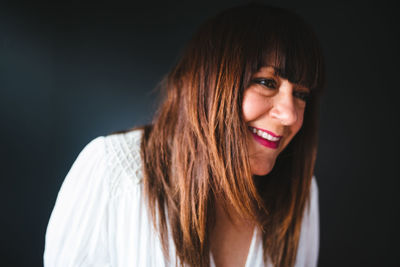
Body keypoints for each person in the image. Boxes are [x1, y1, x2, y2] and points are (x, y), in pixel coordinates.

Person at [44, 3, 324, 267]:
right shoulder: (113, 171)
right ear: (210, 84)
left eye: (301, 94)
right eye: (266, 82)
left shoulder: (300, 192)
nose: (290, 115)